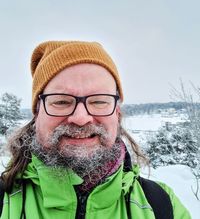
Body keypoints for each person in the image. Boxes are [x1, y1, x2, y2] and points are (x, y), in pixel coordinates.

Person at [1, 41, 191, 219]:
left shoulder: (161, 206)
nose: (81, 118)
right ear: (37, 111)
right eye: (61, 101)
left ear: (117, 112)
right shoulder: (5, 202)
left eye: (99, 101)